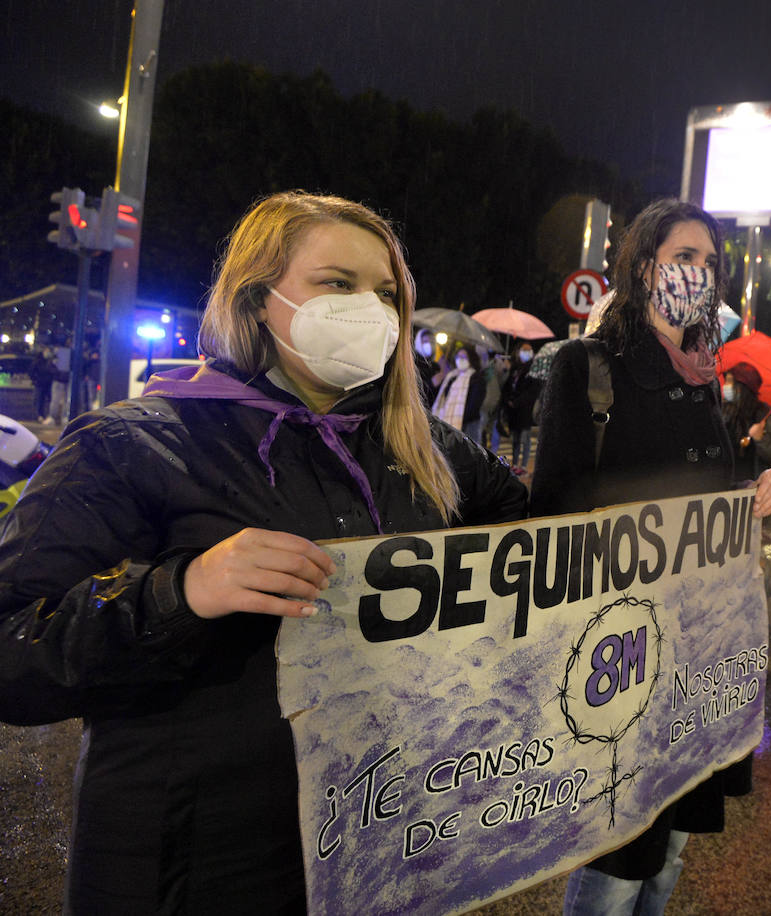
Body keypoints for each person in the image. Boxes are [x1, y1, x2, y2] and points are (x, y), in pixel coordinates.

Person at [0, 191, 529, 912]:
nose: (369, 310)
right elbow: (13, 653)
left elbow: (542, 533)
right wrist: (179, 591)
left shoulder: (421, 446)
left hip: (368, 847)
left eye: (387, 294)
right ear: (256, 299)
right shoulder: (131, 445)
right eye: (337, 284)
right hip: (185, 871)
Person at [530, 197, 771, 916]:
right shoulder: (587, 367)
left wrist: (753, 493)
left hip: (698, 647)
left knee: (671, 847)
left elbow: (708, 492)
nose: (698, 274)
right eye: (684, 258)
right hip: (618, 650)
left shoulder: (704, 378)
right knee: (623, 848)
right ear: (644, 267)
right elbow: (550, 516)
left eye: (709, 263)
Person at [721, 362, 771, 479]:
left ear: (742, 387)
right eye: (726, 381)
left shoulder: (766, 415)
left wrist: (761, 439)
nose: (725, 386)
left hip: (755, 487)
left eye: (730, 381)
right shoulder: (721, 409)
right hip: (723, 483)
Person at [432, 341, 486, 441]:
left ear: (471, 359)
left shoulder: (476, 379)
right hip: (448, 424)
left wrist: (459, 421)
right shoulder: (451, 377)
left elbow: (474, 405)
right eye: (458, 357)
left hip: (468, 426)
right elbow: (443, 398)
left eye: (464, 357)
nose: (460, 360)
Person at [504, 341, 541, 475]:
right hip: (514, 411)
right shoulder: (515, 369)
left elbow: (532, 391)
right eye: (524, 350)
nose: (527, 353)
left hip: (525, 410)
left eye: (529, 350)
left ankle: (524, 466)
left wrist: (517, 401)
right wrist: (509, 400)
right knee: (515, 439)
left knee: (525, 438)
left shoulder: (534, 369)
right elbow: (508, 387)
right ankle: (515, 464)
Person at [480, 351, 510, 452]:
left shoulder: (497, 363)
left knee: (493, 430)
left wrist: (506, 370)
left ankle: (493, 454)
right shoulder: (481, 363)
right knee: (481, 430)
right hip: (484, 403)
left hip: (494, 402)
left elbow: (502, 382)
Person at [26, 347, 55, 421]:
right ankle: (39, 415)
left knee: (45, 400)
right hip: (39, 384)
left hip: (47, 384)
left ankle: (43, 415)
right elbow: (31, 372)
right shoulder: (37, 362)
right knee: (39, 400)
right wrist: (35, 380)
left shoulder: (48, 362)